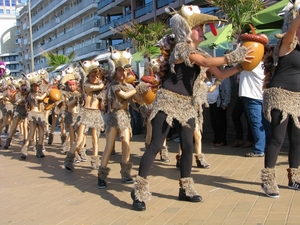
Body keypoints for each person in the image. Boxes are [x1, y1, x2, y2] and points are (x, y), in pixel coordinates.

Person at [130, 5, 253, 211]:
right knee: (155, 145)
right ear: (188, 30)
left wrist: (242, 66)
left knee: (188, 146)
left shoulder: (201, 52)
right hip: (167, 101)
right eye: (200, 28)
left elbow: (220, 74)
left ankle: (185, 188)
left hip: (188, 105)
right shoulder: (181, 48)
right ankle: (139, 190)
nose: (203, 31)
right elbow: (204, 61)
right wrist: (234, 56)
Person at [260, 10, 300, 198]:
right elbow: (292, 30)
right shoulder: (285, 45)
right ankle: (268, 179)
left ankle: (294, 177)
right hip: (280, 95)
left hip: (298, 98)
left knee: (297, 139)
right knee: (277, 138)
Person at [97, 47, 145, 188]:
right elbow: (123, 96)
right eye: (120, 70)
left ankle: (125, 173)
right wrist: (137, 89)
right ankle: (101, 176)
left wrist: (147, 90)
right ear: (115, 72)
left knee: (126, 144)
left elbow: (140, 101)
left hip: (125, 117)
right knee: (109, 146)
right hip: (113, 117)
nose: (123, 73)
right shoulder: (113, 85)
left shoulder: (129, 86)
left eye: (124, 70)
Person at [64, 62, 106, 172]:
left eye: (97, 76)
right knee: (79, 139)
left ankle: (95, 162)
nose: (95, 78)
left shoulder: (99, 86)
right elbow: (98, 86)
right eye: (92, 76)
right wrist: (102, 83)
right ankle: (69, 160)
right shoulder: (86, 86)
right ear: (87, 76)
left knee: (95, 140)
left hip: (96, 114)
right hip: (86, 113)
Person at [239, 62, 270, 157]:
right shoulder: (266, 65)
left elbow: (237, 59)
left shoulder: (250, 63)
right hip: (263, 96)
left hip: (252, 96)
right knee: (266, 124)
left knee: (257, 123)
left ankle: (259, 149)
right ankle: (267, 147)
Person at [230, 73, 254, 148]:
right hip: (241, 95)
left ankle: (250, 140)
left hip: (249, 95)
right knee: (235, 115)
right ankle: (239, 139)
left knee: (249, 117)